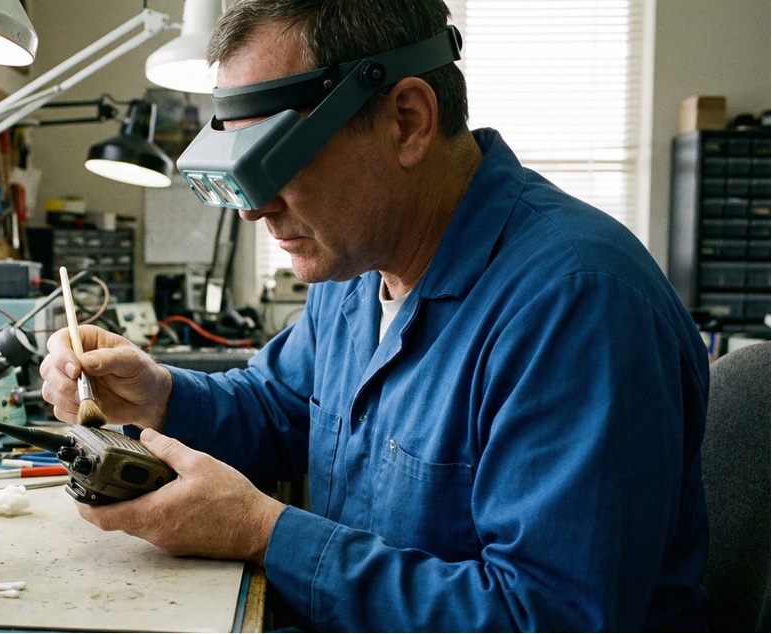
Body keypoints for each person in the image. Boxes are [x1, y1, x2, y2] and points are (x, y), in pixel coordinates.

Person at [39, 0, 710, 630]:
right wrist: (158, 396)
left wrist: (263, 534)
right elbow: (280, 408)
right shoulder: (356, 265)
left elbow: (542, 616)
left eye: (275, 160)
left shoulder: (576, 306)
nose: (253, 208)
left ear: (407, 121)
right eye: (238, 170)